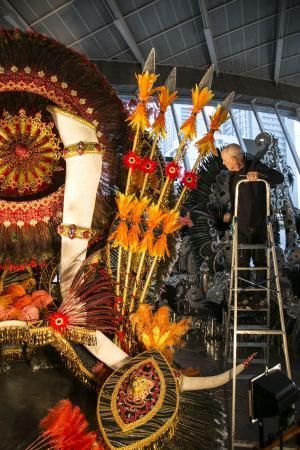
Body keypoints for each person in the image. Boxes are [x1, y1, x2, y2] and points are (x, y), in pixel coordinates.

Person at [221, 144, 284, 307]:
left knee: (259, 262)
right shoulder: (232, 176)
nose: (223, 163)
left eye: (225, 160)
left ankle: (261, 297)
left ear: (234, 160)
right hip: (241, 225)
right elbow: (237, 199)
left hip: (258, 224)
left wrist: (260, 174)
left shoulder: (255, 166)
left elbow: (279, 178)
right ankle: (242, 297)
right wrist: (230, 213)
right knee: (241, 262)